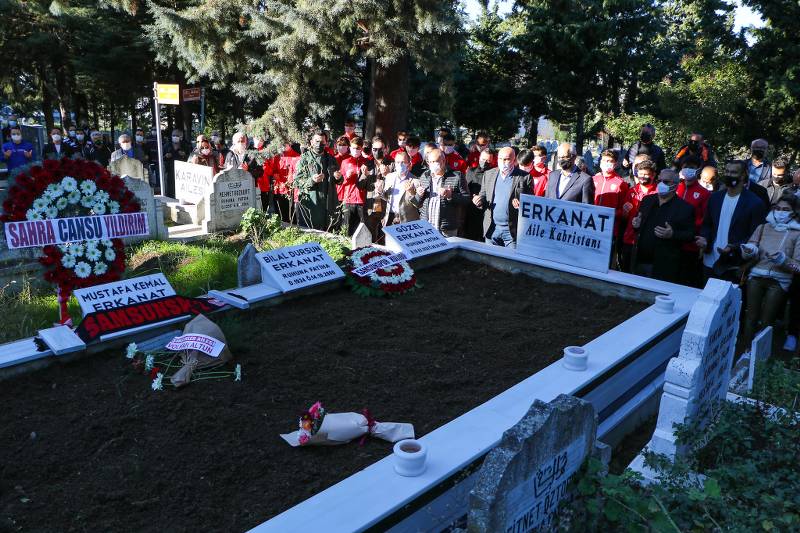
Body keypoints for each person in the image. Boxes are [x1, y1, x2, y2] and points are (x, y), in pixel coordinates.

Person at [738, 192, 800, 350]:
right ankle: (746, 351)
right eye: (777, 208)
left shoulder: (797, 233)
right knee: (750, 317)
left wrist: (782, 260)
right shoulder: (763, 227)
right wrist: (749, 250)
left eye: (785, 209)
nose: (780, 212)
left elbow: (798, 265)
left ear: (794, 212)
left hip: (779, 281)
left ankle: (761, 355)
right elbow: (751, 247)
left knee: (767, 320)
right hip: (756, 276)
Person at [697, 160, 768, 283]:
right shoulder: (715, 198)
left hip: (734, 264)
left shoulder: (755, 203)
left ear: (743, 175)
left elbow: (756, 235)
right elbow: (707, 224)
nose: (729, 175)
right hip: (709, 261)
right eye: (727, 171)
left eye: (734, 172)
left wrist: (734, 247)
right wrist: (704, 238)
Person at [630, 169, 695, 282]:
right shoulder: (647, 200)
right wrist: (636, 224)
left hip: (663, 267)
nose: (661, 184)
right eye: (659, 180)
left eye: (665, 181)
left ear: (675, 185)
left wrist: (672, 234)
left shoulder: (685, 208)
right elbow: (638, 224)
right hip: (639, 261)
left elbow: (690, 235)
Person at [474, 146, 532, 248]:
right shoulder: (489, 174)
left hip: (512, 231)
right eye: (500, 159)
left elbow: (530, 204)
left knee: (512, 261)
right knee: (490, 261)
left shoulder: (525, 177)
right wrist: (478, 200)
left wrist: (521, 205)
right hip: (492, 228)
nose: (503, 162)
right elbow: (483, 195)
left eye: (506, 159)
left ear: (514, 160)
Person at [411, 147, 469, 237]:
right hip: (427, 228)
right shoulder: (424, 176)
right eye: (430, 162)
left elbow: (466, 199)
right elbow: (416, 204)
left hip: (447, 229)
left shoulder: (456, 176)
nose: (432, 164)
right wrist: (419, 195)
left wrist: (451, 195)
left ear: (443, 161)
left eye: (435, 161)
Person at [294, 129, 341, 230]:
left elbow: (339, 180)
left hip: (329, 205)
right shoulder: (304, 159)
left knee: (330, 235)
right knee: (310, 234)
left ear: (326, 143)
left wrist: (339, 177)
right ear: (311, 142)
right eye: (317, 141)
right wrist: (312, 180)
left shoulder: (331, 159)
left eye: (322, 142)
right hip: (311, 204)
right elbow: (297, 182)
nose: (319, 144)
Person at [675, 157, 711, 287]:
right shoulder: (676, 188)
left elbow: (705, 218)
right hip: (672, 240)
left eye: (692, 169)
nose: (688, 172)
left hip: (691, 243)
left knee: (686, 278)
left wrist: (690, 227)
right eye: (685, 168)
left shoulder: (704, 193)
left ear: (697, 171)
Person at [621, 158, 658, 272]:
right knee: (626, 270)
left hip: (648, 241)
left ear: (653, 175)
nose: (643, 177)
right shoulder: (631, 191)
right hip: (630, 239)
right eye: (640, 174)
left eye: (646, 175)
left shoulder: (658, 193)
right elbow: (624, 218)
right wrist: (625, 212)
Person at [593, 149, 629, 246]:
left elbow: (624, 209)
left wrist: (610, 214)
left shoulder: (621, 184)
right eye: (604, 160)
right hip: (591, 225)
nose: (606, 163)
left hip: (610, 229)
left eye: (610, 161)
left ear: (616, 164)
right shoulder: (593, 179)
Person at [338, 136, 369, 236]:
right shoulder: (345, 162)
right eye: (353, 148)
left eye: (358, 148)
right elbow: (341, 182)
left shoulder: (366, 162)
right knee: (346, 229)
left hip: (362, 200)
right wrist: (346, 176)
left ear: (361, 149)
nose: (355, 150)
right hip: (348, 200)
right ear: (350, 148)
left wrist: (366, 175)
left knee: (362, 230)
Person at [380, 151, 420, 226]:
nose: (400, 165)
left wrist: (411, 193)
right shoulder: (389, 177)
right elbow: (386, 198)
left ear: (409, 164)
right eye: (397, 162)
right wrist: (380, 191)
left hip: (406, 220)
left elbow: (418, 204)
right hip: (390, 217)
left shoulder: (415, 180)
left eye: (403, 162)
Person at [464, 148, 494, 241]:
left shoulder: (493, 174)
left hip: (486, 211)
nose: (485, 163)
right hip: (471, 210)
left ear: (492, 161)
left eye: (488, 161)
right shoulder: (470, 171)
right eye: (483, 159)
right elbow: (465, 189)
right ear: (479, 158)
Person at [163, 129, 190, 196]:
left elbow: (191, 158)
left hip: (182, 172)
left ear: (181, 137)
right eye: (173, 135)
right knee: (170, 188)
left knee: (181, 188)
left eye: (177, 135)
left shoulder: (186, 146)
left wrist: (184, 155)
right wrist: (165, 156)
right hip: (170, 171)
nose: (175, 137)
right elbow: (161, 158)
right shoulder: (166, 146)